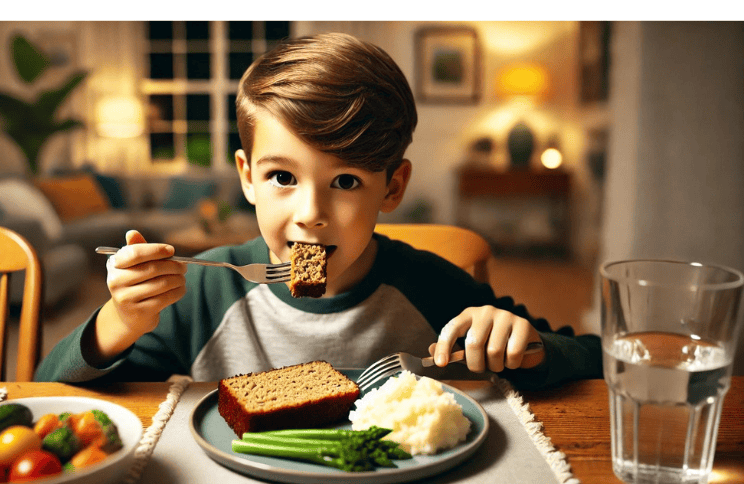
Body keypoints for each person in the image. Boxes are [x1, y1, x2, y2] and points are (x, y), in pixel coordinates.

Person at [35, 33, 602, 389]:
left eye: (346, 181)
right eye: (282, 177)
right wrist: (122, 321)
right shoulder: (207, 292)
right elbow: (50, 387)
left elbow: (589, 356)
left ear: (392, 188)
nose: (310, 212)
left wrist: (523, 344)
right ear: (246, 178)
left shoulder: (428, 285)